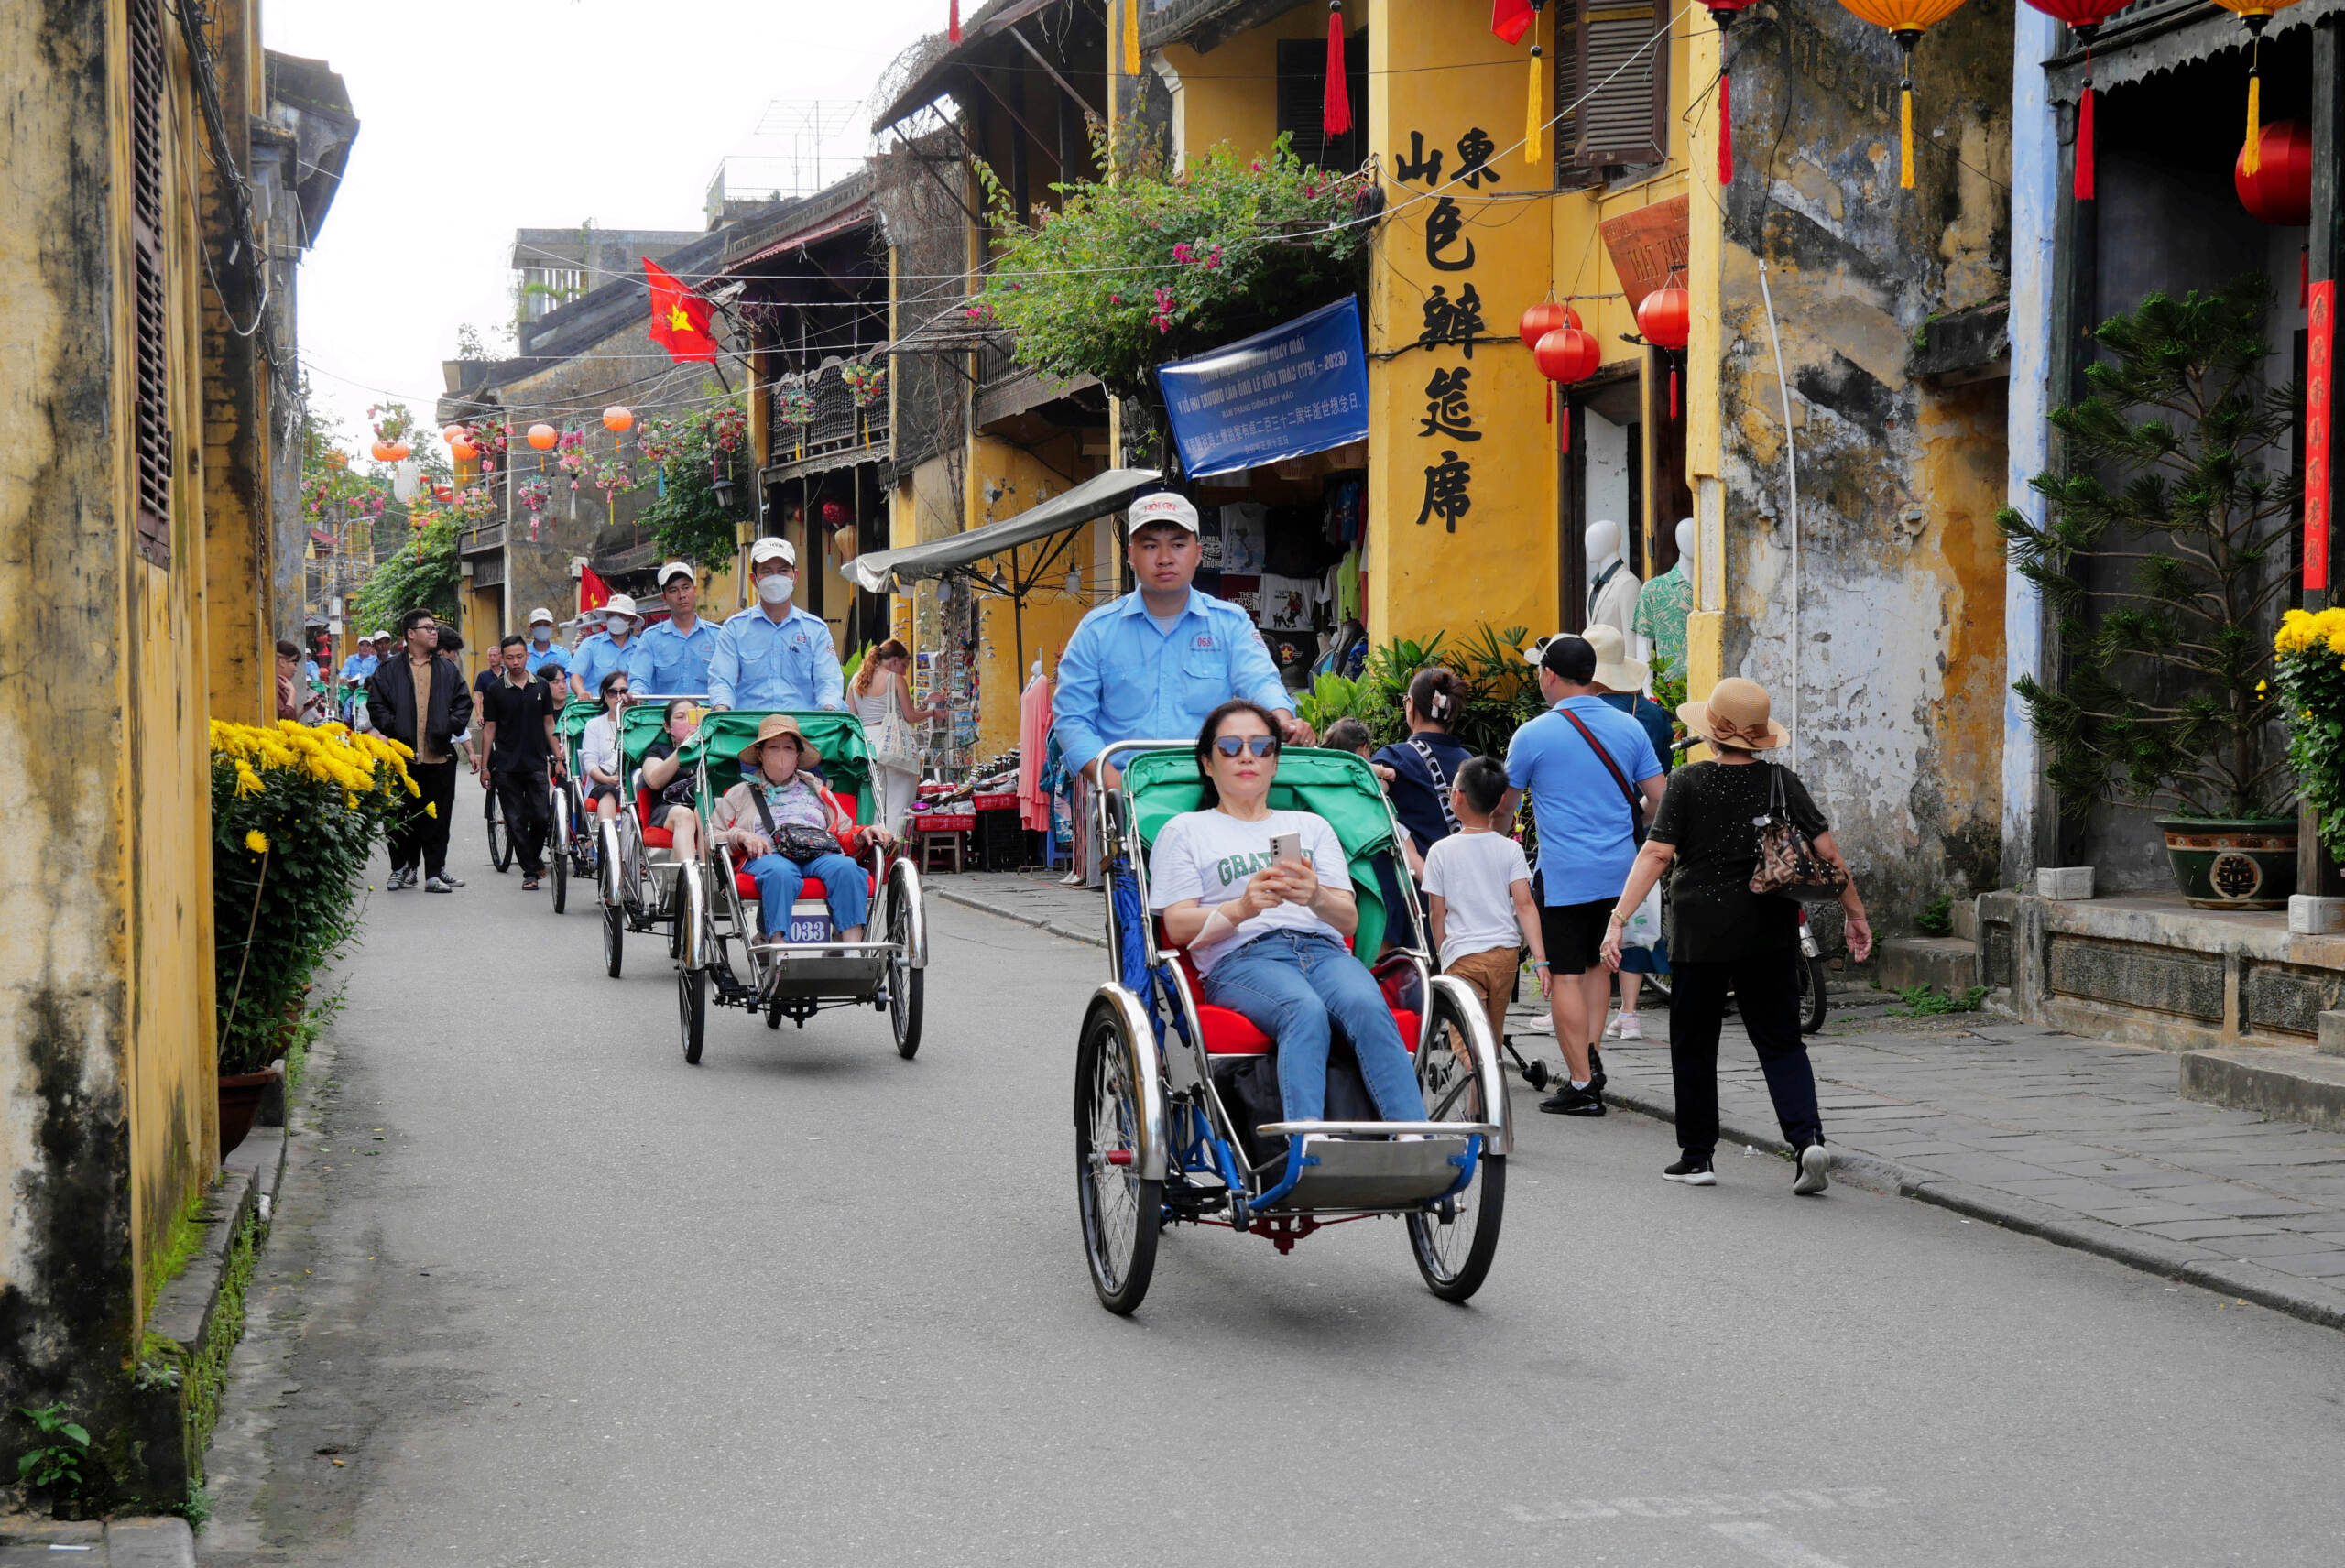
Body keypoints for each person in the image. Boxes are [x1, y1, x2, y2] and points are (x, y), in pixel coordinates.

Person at [1601, 677, 1873, 1193]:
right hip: (1769, 930)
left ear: (1711, 733)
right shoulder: (1779, 782)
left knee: (1695, 1043)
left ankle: (1698, 1156)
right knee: (1780, 1041)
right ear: (1759, 736)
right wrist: (1854, 915)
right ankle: (1807, 1141)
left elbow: (1657, 854)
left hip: (1699, 933)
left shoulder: (1687, 782)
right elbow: (1829, 854)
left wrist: (1619, 918)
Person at [1150, 700, 1423, 1129]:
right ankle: (1307, 1148)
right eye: (1229, 746)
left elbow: (1348, 920)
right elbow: (1177, 926)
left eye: (1261, 746)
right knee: (1303, 1011)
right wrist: (1242, 907)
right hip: (1241, 959)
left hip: (1324, 951)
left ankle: (1414, 1144)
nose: (1246, 756)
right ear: (1207, 762)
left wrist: (1313, 895)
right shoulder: (1185, 830)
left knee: (1367, 1004)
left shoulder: (1312, 826)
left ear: (1275, 762)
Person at [1054, 491, 1311, 887]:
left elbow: (1261, 683)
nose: (1164, 557)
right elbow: (1072, 721)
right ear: (1131, 555)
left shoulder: (1230, 623)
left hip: (1216, 792)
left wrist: (1282, 722)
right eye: (1150, 545)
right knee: (1138, 918)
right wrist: (1117, 789)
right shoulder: (1096, 631)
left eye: (1177, 544)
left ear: (1197, 552)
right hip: (1129, 796)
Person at [1500, 634, 1663, 1117]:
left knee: (1566, 975)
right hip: (1620, 876)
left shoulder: (1531, 735)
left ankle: (1581, 1081)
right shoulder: (1629, 727)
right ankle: (1591, 1058)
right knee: (1598, 968)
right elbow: (1660, 797)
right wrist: (1635, 824)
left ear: (1549, 675)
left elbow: (1506, 812)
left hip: (1564, 875)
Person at [711, 714, 887, 942]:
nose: (781, 754)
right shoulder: (741, 792)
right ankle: (776, 946)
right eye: (773, 747)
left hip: (819, 854)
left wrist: (863, 834)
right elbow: (712, 836)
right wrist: (741, 835)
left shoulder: (818, 790)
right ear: (760, 754)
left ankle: (853, 950)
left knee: (847, 869)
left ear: (797, 755)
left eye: (788, 747)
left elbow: (842, 834)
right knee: (780, 873)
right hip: (768, 856)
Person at [1584, 625, 1674, 1043]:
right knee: (1632, 910)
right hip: (1641, 822)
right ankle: (1631, 1012)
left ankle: (1577, 1003)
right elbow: (1660, 781)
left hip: (1590, 825)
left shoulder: (1584, 710)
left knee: (1585, 915)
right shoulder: (1651, 713)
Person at [1423, 757, 1548, 1049]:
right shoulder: (1510, 850)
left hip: (1463, 956)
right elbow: (1525, 905)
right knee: (1492, 1036)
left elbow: (1436, 915)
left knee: (1465, 1042)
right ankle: (1493, 1089)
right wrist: (1541, 960)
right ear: (1499, 800)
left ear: (1458, 796)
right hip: (1504, 956)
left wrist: (1444, 956)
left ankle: (1483, 1088)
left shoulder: (1440, 852)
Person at [366, 607, 473, 892]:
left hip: (438, 756)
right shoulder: (388, 671)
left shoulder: (448, 669)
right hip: (402, 758)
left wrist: (446, 726)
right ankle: (403, 868)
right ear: (411, 634)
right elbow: (376, 706)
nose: (434, 632)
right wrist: (396, 729)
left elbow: (464, 704)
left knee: (437, 817)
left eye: (434, 627)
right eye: (427, 628)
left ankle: (434, 873)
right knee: (401, 816)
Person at [707, 539, 845, 712]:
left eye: (783, 571)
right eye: (767, 571)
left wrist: (829, 709)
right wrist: (721, 710)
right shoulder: (734, 629)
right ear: (754, 579)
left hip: (801, 730)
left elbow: (828, 681)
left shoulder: (816, 630)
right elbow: (722, 680)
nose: (776, 578)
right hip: (749, 730)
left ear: (795, 577)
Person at [478, 635, 562, 890]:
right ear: (502, 659)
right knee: (515, 819)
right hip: (506, 764)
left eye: (519, 656)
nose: (515, 662)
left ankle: (533, 859)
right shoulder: (495, 690)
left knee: (541, 816)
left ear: (527, 656)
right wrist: (484, 766)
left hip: (536, 762)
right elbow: (490, 728)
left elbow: (549, 723)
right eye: (510, 657)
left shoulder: (542, 686)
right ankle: (530, 871)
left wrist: (558, 757)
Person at [849, 638, 945, 835]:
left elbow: (853, 718)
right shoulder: (895, 679)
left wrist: (923, 706)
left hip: (867, 746)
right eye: (903, 666)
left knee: (875, 803)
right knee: (899, 803)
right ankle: (894, 849)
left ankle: (874, 848)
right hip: (894, 744)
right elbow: (909, 717)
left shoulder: (856, 680)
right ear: (893, 660)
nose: (903, 672)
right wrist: (931, 713)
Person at [628, 561, 721, 697]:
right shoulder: (650, 638)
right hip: (663, 716)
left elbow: (726, 680)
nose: (681, 595)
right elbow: (640, 679)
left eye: (686, 588)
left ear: (695, 591)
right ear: (664, 598)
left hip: (706, 715)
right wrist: (636, 695)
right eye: (673, 590)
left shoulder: (718, 636)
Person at [637, 698, 707, 861]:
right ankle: (690, 879)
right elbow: (654, 780)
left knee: (702, 809)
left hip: (701, 806)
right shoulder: (658, 751)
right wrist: (685, 748)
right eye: (680, 717)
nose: (686, 721)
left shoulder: (710, 750)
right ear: (667, 727)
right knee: (684, 815)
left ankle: (709, 876)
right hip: (667, 810)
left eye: (691, 716)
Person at [578, 670, 632, 825]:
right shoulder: (594, 725)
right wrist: (608, 780)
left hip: (633, 783)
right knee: (608, 792)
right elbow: (590, 763)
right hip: (603, 782)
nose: (618, 697)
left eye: (623, 691)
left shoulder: (639, 724)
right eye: (612, 692)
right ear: (604, 695)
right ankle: (609, 842)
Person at [569, 596, 644, 702]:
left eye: (621, 615)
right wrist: (581, 692)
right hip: (596, 707)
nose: (615, 619)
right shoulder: (590, 644)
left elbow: (645, 679)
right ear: (607, 617)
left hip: (629, 709)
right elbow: (576, 676)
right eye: (612, 615)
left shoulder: (641, 648)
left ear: (632, 619)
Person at [523, 607, 570, 682]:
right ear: (530, 628)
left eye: (546, 624)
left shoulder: (563, 654)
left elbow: (568, 683)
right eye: (538, 625)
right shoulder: (521, 655)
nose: (542, 628)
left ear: (552, 627)